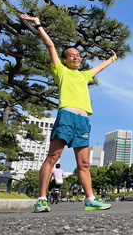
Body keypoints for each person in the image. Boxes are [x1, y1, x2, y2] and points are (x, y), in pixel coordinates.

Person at [21, 14, 116, 213]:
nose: (76, 56)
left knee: (84, 163)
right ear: (64, 60)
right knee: (53, 157)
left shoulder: (84, 75)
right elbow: (50, 46)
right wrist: (38, 24)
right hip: (66, 117)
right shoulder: (60, 71)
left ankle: (90, 200)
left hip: (82, 120)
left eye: (78, 54)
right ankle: (41, 199)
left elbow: (99, 67)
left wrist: (112, 58)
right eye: (71, 55)